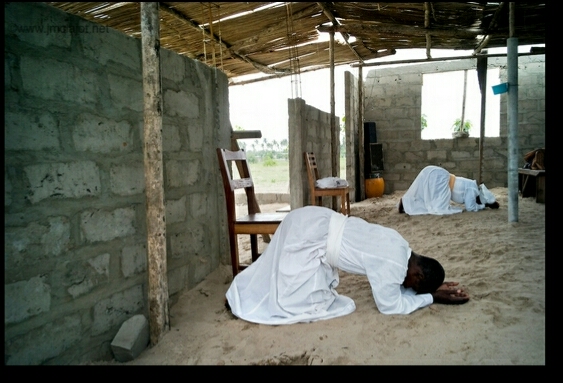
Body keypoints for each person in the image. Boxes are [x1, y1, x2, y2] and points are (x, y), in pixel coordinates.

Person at [225, 205, 469, 325]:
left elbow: (396, 285)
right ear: (417, 276)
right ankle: (240, 298)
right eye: (414, 287)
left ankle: (241, 291)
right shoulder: (393, 266)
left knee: (272, 268)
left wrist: (431, 288)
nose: (407, 287)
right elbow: (390, 305)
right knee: (295, 302)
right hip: (309, 235)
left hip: (312, 219)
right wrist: (433, 297)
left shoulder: (400, 245)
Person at [398, 165, 500, 215]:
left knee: (427, 198)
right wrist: (484, 206)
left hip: (443, 179)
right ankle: (406, 202)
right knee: (436, 207)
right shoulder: (472, 190)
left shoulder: (471, 185)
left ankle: (406, 202)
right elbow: (470, 207)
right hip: (443, 181)